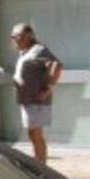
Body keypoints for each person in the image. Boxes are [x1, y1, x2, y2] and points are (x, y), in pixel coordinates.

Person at [11, 24, 61, 163]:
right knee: (33, 134)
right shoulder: (26, 51)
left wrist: (48, 88)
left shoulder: (39, 50)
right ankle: (40, 164)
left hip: (35, 101)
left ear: (28, 36)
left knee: (35, 135)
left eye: (16, 36)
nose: (13, 39)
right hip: (28, 101)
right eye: (12, 37)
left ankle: (42, 167)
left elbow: (56, 65)